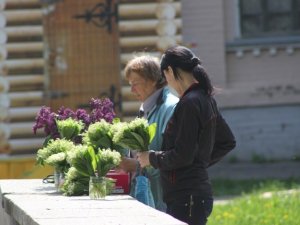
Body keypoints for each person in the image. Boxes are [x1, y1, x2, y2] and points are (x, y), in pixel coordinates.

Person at [137, 46, 236, 225]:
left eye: (165, 76)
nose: (166, 81)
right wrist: (199, 163)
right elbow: (227, 142)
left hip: (186, 198)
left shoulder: (189, 103)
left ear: (169, 70)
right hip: (192, 195)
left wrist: (151, 158)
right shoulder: (205, 98)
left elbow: (183, 154)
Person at [118, 55, 179, 211]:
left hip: (165, 199)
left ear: (152, 80)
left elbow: (173, 156)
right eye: (130, 84)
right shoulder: (147, 106)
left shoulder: (170, 107)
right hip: (151, 195)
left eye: (135, 84)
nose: (131, 90)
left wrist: (134, 165)